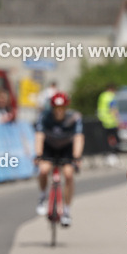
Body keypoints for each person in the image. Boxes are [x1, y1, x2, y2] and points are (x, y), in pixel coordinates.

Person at [35, 92, 84, 226]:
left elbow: (79, 137)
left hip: (66, 148)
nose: (59, 111)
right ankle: (42, 197)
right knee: (44, 170)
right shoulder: (44, 116)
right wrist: (39, 154)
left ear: (66, 107)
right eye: (56, 108)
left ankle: (66, 211)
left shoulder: (74, 117)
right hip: (49, 146)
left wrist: (77, 157)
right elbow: (39, 135)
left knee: (68, 174)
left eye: (62, 108)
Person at [97, 83, 120, 160]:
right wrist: (118, 121)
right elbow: (113, 109)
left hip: (102, 120)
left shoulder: (102, 95)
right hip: (111, 121)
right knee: (115, 138)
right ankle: (113, 154)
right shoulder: (111, 96)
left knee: (105, 139)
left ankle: (106, 154)